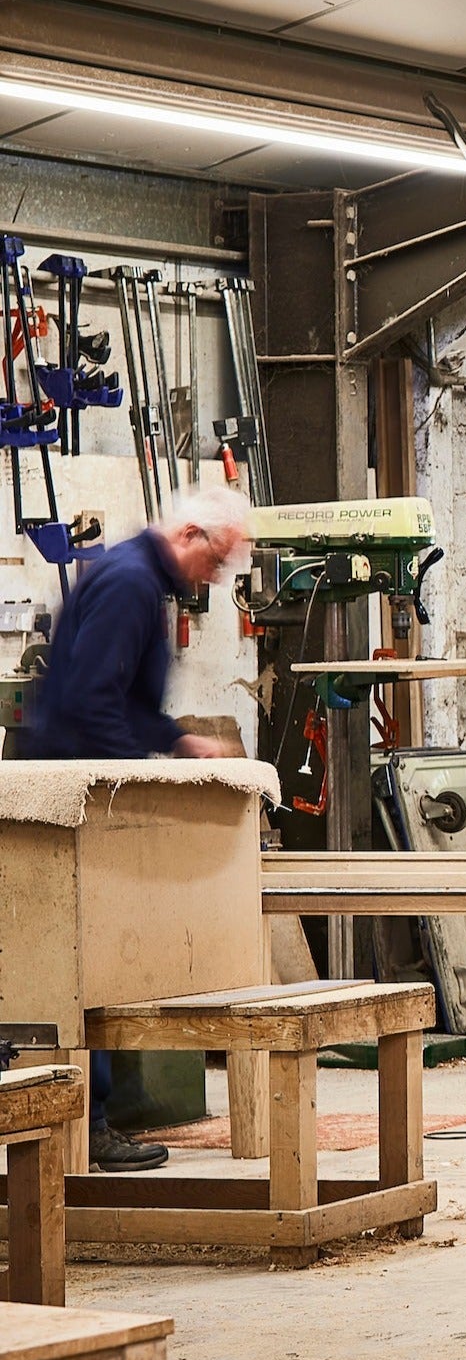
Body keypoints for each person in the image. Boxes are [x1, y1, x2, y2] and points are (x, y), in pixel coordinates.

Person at [18, 482, 252, 1171]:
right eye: (216, 563)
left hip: (76, 780)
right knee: (83, 969)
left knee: (91, 963)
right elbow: (93, 703)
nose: (214, 578)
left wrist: (180, 742)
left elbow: (120, 700)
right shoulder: (128, 584)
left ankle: (89, 1119)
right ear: (189, 538)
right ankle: (85, 1125)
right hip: (73, 795)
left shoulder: (133, 576)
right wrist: (138, 789)